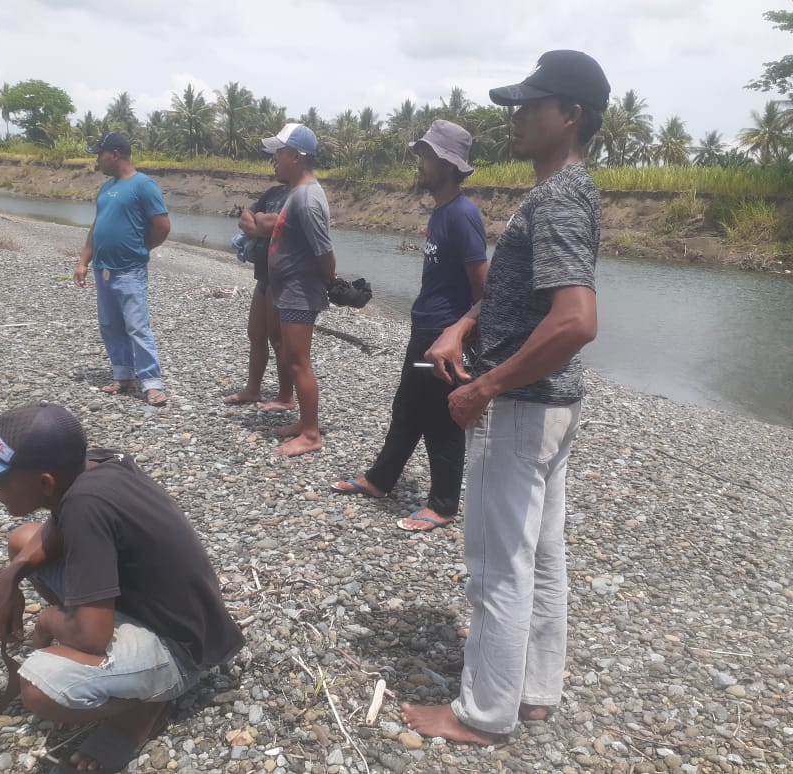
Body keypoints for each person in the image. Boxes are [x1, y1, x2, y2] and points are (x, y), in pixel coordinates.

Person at [401, 50, 610, 743]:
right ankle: (535, 692)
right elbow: (520, 297)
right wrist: (464, 324)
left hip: (521, 407)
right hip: (552, 406)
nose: (515, 117)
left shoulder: (558, 197)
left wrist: (485, 387)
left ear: (569, 115)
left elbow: (575, 321)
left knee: (497, 567)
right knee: (542, 555)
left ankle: (483, 714)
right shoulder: (565, 191)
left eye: (530, 105)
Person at [0, 403, 243, 772]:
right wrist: (10, 576)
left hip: (183, 647)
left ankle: (143, 706)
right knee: (22, 542)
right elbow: (56, 526)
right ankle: (123, 667)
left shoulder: (85, 508)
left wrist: (48, 620)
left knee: (39, 689)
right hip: (183, 612)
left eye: (0, 480)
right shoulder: (97, 463)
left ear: (45, 483)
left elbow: (91, 638)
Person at [330, 120, 487, 532]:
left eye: (426, 156)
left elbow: (483, 290)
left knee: (441, 419)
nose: (419, 163)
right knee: (407, 409)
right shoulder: (441, 211)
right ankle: (380, 480)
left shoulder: (464, 215)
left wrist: (462, 338)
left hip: (445, 337)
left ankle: (443, 505)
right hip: (425, 329)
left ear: (448, 164)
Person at [74, 132, 171, 407]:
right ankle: (123, 375)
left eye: (100, 154)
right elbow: (97, 226)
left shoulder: (144, 185)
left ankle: (151, 383)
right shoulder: (106, 187)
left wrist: (140, 249)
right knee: (109, 324)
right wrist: (83, 261)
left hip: (130, 270)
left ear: (115, 154)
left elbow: (162, 226)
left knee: (137, 326)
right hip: (102, 268)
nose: (97, 161)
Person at [262, 123, 337, 457]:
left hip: (300, 291)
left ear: (296, 156)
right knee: (292, 358)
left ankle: (310, 434)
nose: (274, 159)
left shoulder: (306, 198)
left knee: (298, 362)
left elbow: (324, 252)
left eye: (279, 153)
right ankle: (303, 423)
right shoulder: (297, 192)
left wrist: (330, 280)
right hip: (290, 289)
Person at [222, 176, 294, 412]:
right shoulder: (273, 193)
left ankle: (286, 396)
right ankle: (252, 389)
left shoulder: (300, 196)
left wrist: (261, 225)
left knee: (278, 339)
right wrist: (261, 227)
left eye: (278, 158)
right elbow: (245, 218)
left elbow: (277, 226)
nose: (274, 162)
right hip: (263, 273)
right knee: (256, 333)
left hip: (282, 275)